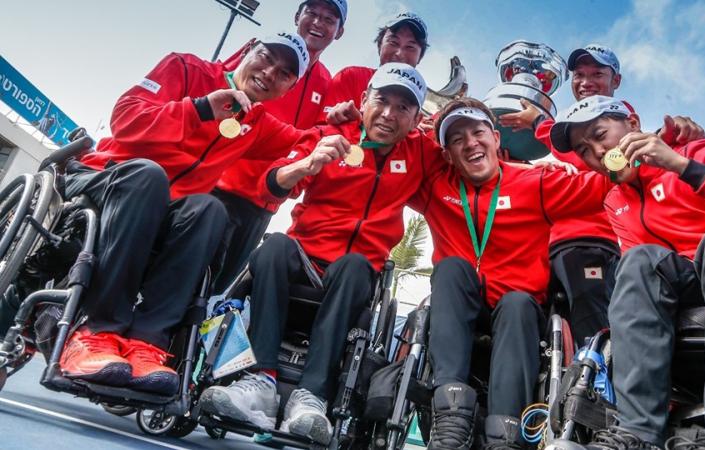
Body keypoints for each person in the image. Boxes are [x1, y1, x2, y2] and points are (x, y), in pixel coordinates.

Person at [198, 63, 442, 444]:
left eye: (403, 108)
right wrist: (307, 164)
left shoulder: (422, 153)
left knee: (355, 264)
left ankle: (311, 397)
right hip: (302, 259)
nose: (389, 114)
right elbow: (271, 183)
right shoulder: (329, 134)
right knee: (274, 247)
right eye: (382, 100)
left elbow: (465, 149)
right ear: (364, 101)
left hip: (355, 273)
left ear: (416, 119)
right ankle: (259, 381)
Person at [58, 32, 311, 396]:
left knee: (211, 209)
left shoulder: (258, 124)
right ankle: (97, 332)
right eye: (266, 57)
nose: (271, 72)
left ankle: (147, 343)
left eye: (285, 73)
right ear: (247, 50)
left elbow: (308, 139)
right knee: (149, 176)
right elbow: (125, 119)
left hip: (161, 212)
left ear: (288, 88)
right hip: (107, 177)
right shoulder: (186, 68)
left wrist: (340, 122)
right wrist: (201, 108)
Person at [545, 95, 705, 450]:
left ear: (632, 125)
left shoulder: (698, 150)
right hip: (693, 282)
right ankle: (636, 433)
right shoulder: (617, 201)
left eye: (601, 135)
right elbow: (646, 280)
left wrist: (682, 166)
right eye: (584, 150)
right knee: (635, 262)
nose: (598, 153)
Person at [408, 98, 613, 450]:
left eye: (478, 132)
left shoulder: (536, 182)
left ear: (496, 139)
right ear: (447, 154)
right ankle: (451, 419)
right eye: (457, 139)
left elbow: (605, 182)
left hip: (517, 310)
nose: (470, 143)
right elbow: (386, 154)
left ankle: (505, 436)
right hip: (459, 305)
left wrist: (658, 142)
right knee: (452, 268)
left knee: (518, 303)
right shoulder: (434, 186)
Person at [499, 44, 705, 345]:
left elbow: (612, 163)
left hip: (592, 243)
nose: (586, 81)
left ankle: (601, 389)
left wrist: (540, 123)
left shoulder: (622, 122)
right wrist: (511, 166)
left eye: (597, 73)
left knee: (595, 330)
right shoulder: (571, 130)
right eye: (579, 75)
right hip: (551, 245)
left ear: (616, 82)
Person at [211, 0, 347, 293]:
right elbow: (219, 82)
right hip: (220, 187)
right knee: (190, 277)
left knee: (217, 286)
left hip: (265, 202)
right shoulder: (260, 53)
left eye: (329, 19)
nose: (317, 23)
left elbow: (316, 134)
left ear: (339, 32)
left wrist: (334, 118)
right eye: (311, 13)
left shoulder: (326, 81)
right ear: (297, 16)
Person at [321, 11, 429, 125]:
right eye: (393, 42)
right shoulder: (350, 77)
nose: (399, 53)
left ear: (420, 57)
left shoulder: (416, 103)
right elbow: (321, 128)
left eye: (410, 47)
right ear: (380, 44)